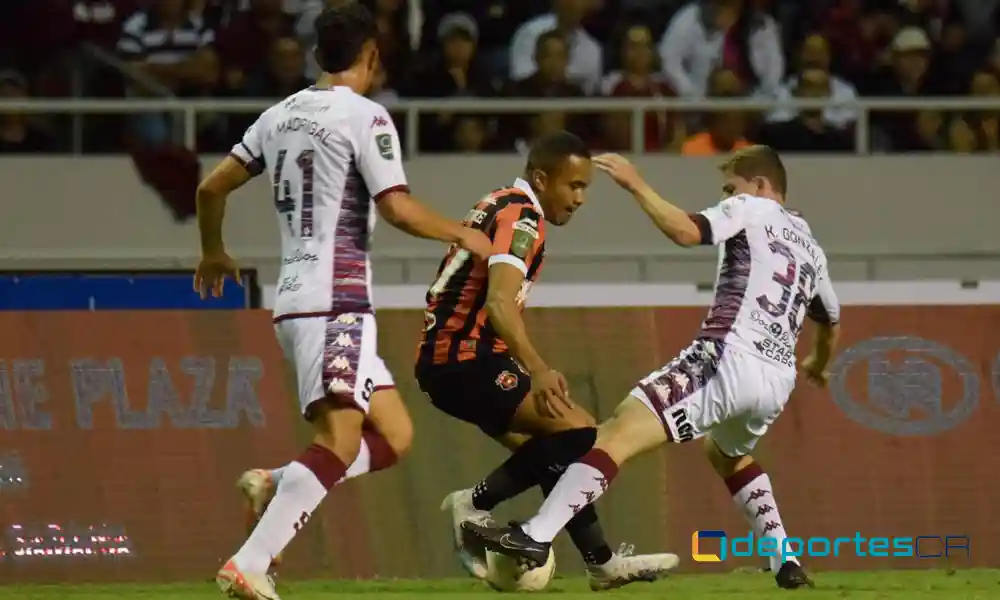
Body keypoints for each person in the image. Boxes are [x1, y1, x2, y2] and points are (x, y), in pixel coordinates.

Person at [192, 3, 492, 600]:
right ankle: (250, 563)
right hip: (337, 301)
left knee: (396, 435)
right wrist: (464, 233)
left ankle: (277, 485)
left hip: (300, 300)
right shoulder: (366, 116)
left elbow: (210, 186)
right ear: (372, 55)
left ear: (315, 56)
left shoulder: (276, 117)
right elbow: (397, 207)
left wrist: (214, 252)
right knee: (339, 441)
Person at [463, 146, 841, 590]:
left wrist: (635, 184)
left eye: (730, 186)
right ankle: (785, 561)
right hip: (776, 380)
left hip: (727, 358)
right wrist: (818, 359)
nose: (726, 195)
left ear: (759, 185)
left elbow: (685, 231)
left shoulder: (751, 207)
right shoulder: (811, 247)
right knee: (727, 454)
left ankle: (534, 536)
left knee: (615, 432)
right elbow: (830, 317)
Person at [416, 130, 679, 590]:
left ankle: (601, 563)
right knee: (580, 433)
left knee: (555, 456)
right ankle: (472, 505)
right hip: (462, 355)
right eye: (573, 186)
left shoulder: (502, 203)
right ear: (541, 178)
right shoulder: (522, 219)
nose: (580, 199)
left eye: (585, 189)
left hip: (457, 355)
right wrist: (536, 368)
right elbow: (498, 304)